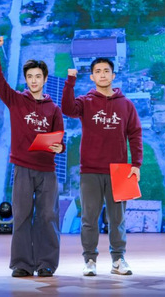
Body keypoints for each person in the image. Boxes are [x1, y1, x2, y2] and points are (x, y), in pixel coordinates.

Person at [0, 36, 65, 278]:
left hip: (47, 171)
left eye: (38, 76)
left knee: (48, 216)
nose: (34, 80)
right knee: (21, 216)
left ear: (45, 79)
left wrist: (59, 148)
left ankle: (46, 263)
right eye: (30, 76)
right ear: (26, 79)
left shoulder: (54, 109)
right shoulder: (16, 101)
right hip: (22, 168)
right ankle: (21, 264)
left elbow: (59, 140)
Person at [61, 58, 143, 277]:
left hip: (120, 171)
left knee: (117, 219)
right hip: (90, 169)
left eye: (107, 71)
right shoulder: (85, 101)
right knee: (89, 218)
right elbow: (67, 109)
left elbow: (135, 134)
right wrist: (70, 81)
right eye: (98, 71)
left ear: (113, 75)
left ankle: (118, 259)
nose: (103, 74)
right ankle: (89, 260)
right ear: (92, 77)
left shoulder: (126, 104)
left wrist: (136, 164)